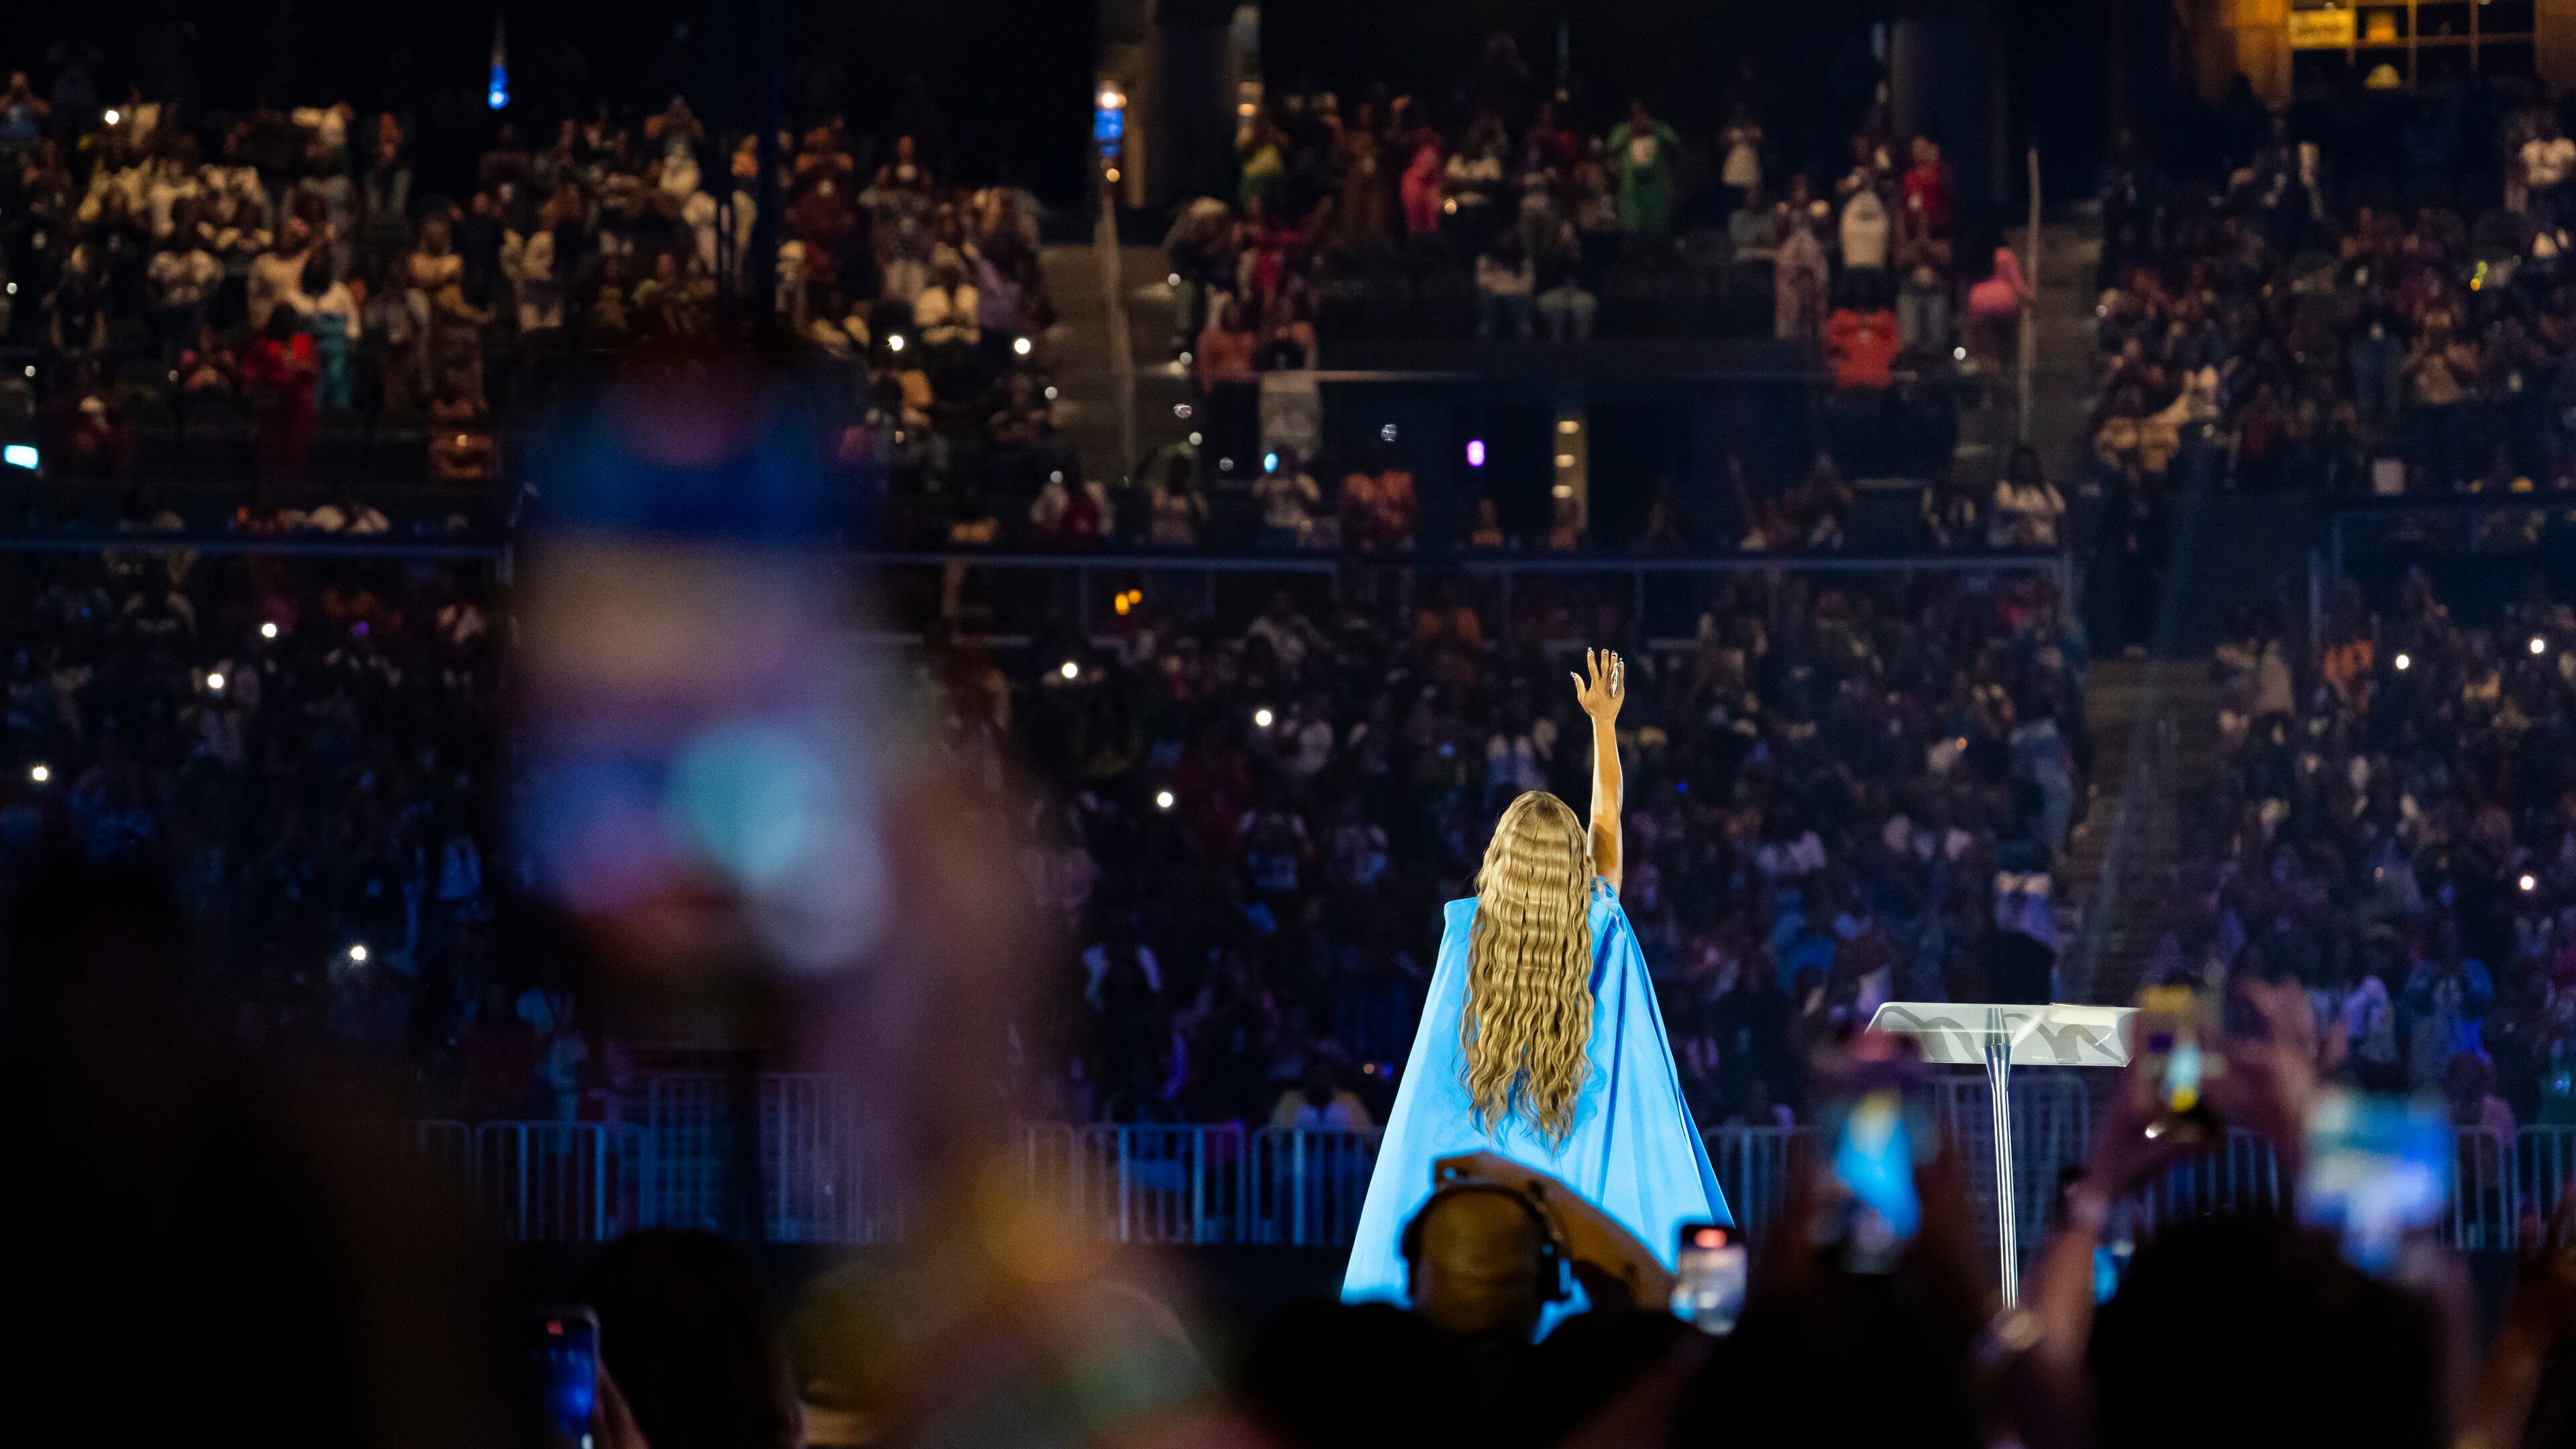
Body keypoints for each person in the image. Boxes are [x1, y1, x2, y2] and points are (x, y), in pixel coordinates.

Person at [1344, 651, 1729, 1307]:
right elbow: (1606, 825)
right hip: (1585, 1177)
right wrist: (1604, 728)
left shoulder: (1467, 933)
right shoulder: (1598, 924)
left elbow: (1434, 1078)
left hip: (1486, 1167)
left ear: (1501, 857)